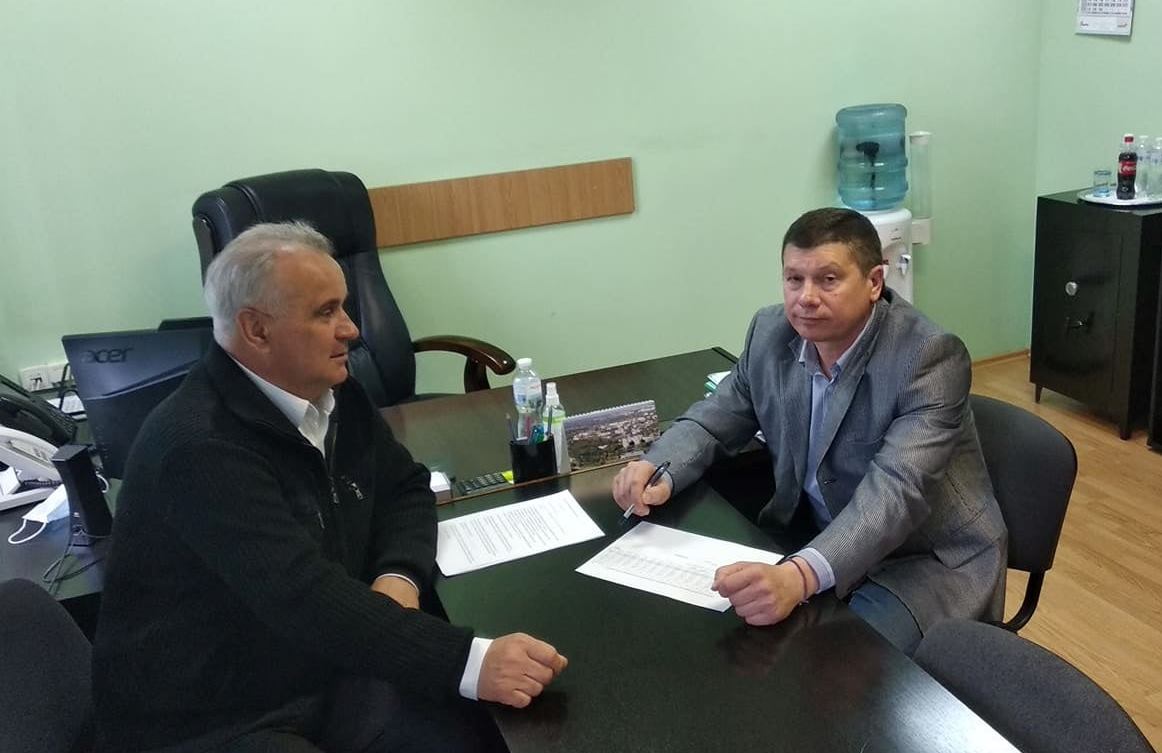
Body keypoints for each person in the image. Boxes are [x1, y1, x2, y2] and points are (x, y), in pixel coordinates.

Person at [92, 222, 567, 753]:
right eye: (326, 312)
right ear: (256, 330)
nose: (352, 330)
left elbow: (405, 488)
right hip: (215, 718)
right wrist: (470, 663)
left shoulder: (331, 392)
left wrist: (398, 577)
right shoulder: (199, 448)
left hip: (317, 668)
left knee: (491, 734)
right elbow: (302, 597)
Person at [612, 207, 1006, 655]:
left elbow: (896, 494)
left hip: (922, 561)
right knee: (732, 641)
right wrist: (656, 468)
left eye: (828, 279)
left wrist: (797, 577)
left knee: (829, 665)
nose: (806, 298)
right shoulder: (770, 332)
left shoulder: (927, 357)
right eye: (794, 279)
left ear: (875, 282)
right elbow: (716, 417)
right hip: (820, 534)